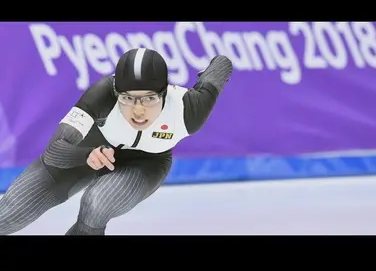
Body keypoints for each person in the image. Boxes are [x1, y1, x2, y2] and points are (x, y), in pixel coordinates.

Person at [0, 48, 233, 235]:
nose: (138, 110)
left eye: (150, 99)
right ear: (115, 91)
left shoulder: (188, 109)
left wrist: (209, 70)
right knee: (9, 215)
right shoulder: (102, 94)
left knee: (97, 203)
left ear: (164, 93)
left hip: (145, 164)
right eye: (128, 98)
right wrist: (86, 155)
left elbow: (222, 64)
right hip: (86, 151)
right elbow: (54, 151)